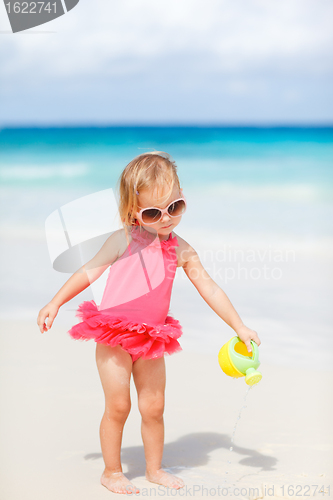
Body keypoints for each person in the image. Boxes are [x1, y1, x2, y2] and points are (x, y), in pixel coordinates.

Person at [37, 151, 261, 495]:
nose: (167, 218)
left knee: (154, 407)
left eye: (176, 207)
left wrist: (239, 326)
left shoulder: (182, 249)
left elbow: (210, 288)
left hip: (153, 338)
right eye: (153, 212)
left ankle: (154, 468)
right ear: (133, 212)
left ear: (183, 196)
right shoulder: (122, 239)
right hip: (113, 334)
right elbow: (88, 271)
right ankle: (112, 471)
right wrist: (55, 302)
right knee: (119, 405)